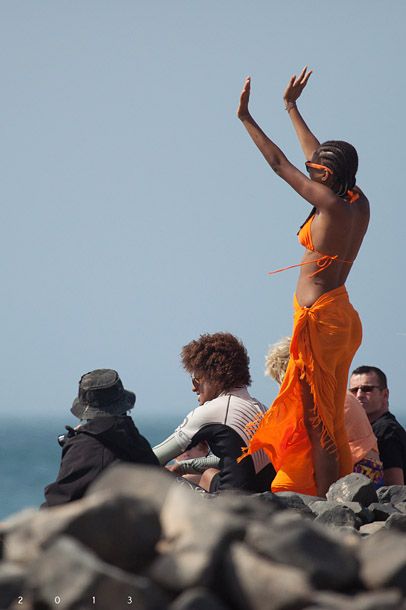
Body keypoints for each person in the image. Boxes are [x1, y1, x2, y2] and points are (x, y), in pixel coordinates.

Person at [237, 67, 369, 496]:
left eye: (316, 170)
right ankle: (337, 492)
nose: (310, 169)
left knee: (319, 423)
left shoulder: (329, 204)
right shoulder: (356, 200)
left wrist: (246, 118)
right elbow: (320, 158)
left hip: (321, 323)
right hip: (340, 315)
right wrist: (291, 107)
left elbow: (280, 165)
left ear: (326, 177)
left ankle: (330, 501)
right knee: (327, 417)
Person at [153, 332, 275, 492]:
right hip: (266, 499)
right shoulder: (262, 409)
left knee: (153, 473)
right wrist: (183, 467)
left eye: (196, 380)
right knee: (209, 474)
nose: (194, 388)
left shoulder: (212, 410)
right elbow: (240, 460)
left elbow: (150, 458)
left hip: (230, 503)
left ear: (214, 377)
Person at [265, 337, 383, 486]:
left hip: (353, 475)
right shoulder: (335, 391)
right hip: (372, 473)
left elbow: (313, 447)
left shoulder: (316, 398)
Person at [43, 369, 159, 507]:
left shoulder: (87, 447)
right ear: (123, 406)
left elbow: (57, 504)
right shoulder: (133, 439)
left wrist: (81, 441)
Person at [349, 366, 406, 485]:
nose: (359, 395)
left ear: (385, 394)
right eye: (353, 390)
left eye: (367, 389)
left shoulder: (387, 430)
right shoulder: (371, 429)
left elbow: (395, 487)